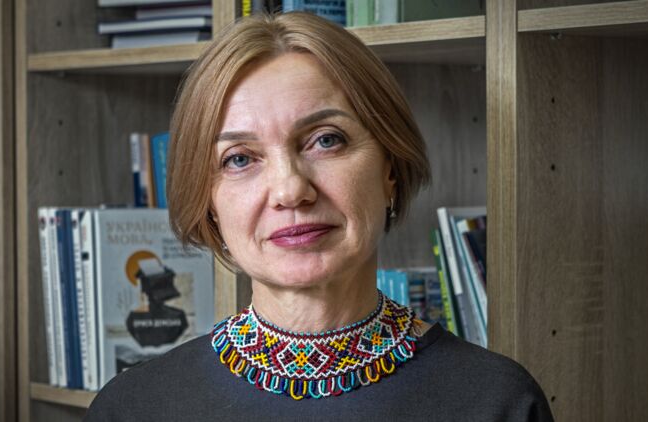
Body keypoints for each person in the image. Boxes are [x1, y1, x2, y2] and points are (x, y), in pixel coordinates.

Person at [85, 12, 554, 422]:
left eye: (326, 140)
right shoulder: (132, 409)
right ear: (208, 201)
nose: (290, 190)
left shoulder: (499, 403)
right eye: (239, 159)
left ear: (389, 168)